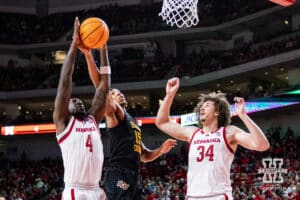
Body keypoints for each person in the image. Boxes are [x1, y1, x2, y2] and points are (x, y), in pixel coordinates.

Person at [155, 77, 270, 200]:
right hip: (193, 196)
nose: (202, 108)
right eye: (201, 106)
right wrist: (170, 95)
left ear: (217, 112)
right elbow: (162, 122)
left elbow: (262, 145)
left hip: (218, 195)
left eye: (207, 105)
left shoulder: (228, 132)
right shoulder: (192, 132)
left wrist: (243, 116)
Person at [86, 53, 177, 200]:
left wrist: (161, 150)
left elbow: (144, 155)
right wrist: (90, 56)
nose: (119, 94)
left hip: (134, 176)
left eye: (120, 92)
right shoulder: (115, 114)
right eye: (114, 94)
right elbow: (101, 88)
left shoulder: (132, 121)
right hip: (119, 173)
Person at [53, 17, 110, 200]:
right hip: (75, 191)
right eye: (73, 101)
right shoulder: (63, 123)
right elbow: (65, 82)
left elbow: (103, 88)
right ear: (66, 107)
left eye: (79, 101)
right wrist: (73, 46)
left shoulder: (92, 119)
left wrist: (103, 49)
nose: (77, 101)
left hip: (96, 189)